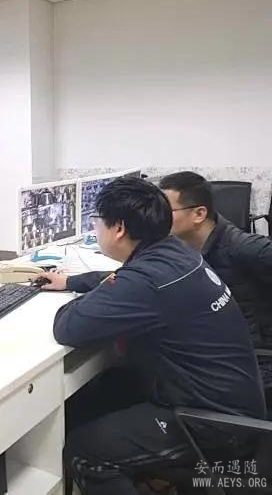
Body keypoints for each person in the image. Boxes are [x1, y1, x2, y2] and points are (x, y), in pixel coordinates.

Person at [37, 178, 265, 495]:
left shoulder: (147, 279)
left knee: (86, 450)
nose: (95, 229)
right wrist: (77, 282)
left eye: (96, 221)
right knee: (101, 391)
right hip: (233, 401)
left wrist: (100, 293)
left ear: (118, 228)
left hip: (214, 424)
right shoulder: (175, 251)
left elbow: (68, 326)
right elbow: (130, 281)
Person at [159, 171, 272, 393]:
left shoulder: (243, 248)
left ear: (199, 214)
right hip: (221, 348)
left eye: (165, 211)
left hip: (253, 364)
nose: (157, 217)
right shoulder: (184, 246)